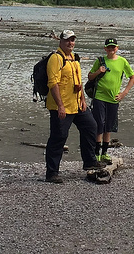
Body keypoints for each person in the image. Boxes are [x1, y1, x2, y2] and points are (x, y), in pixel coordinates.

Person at [45, 29, 105, 183]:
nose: (70, 43)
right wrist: (60, 106)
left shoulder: (74, 58)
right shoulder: (55, 58)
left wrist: (83, 100)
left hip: (77, 105)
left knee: (91, 126)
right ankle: (52, 173)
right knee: (58, 138)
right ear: (60, 41)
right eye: (67, 40)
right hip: (61, 106)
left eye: (72, 40)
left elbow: (78, 82)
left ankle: (89, 161)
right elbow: (53, 83)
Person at [88, 37, 134, 163]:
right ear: (105, 48)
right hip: (99, 97)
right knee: (99, 124)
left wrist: (124, 93)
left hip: (114, 99)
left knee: (108, 126)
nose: (111, 49)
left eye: (113, 47)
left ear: (117, 48)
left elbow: (132, 77)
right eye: (109, 47)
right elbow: (90, 77)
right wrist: (99, 71)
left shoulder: (122, 61)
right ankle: (96, 153)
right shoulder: (100, 61)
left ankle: (104, 153)